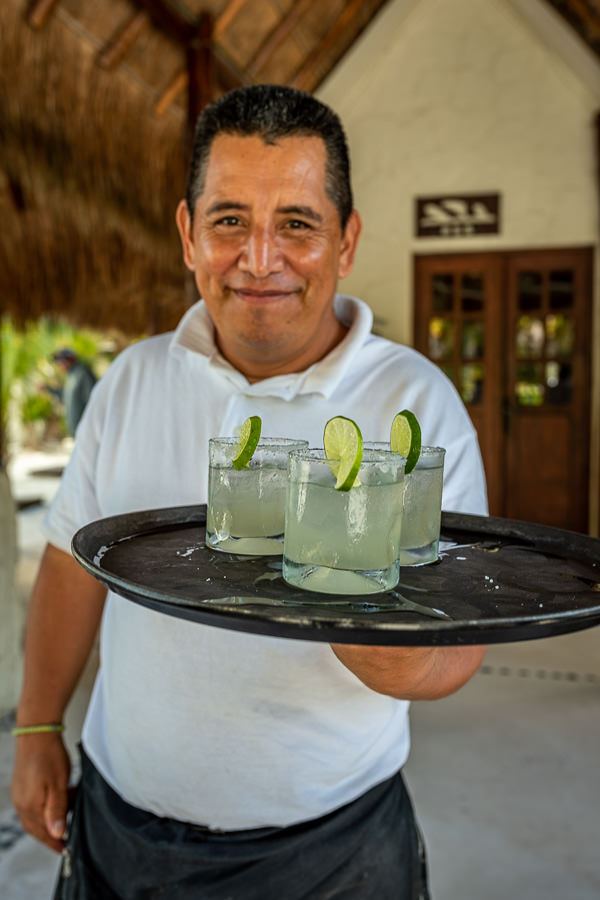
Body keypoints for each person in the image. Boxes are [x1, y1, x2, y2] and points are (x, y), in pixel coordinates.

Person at [11, 84, 488, 899]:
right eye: (230, 220)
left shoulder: (415, 404)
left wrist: (390, 656)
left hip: (332, 851)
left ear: (348, 240)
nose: (259, 258)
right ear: (187, 235)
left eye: (297, 224)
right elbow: (67, 567)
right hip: (118, 828)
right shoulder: (130, 381)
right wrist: (37, 724)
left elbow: (459, 647)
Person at [50, 348, 97, 437]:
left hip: (86, 430)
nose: (59, 365)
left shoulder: (83, 374)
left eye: (61, 361)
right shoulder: (71, 376)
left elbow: (91, 400)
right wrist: (49, 389)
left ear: (70, 360)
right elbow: (65, 396)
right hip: (76, 430)